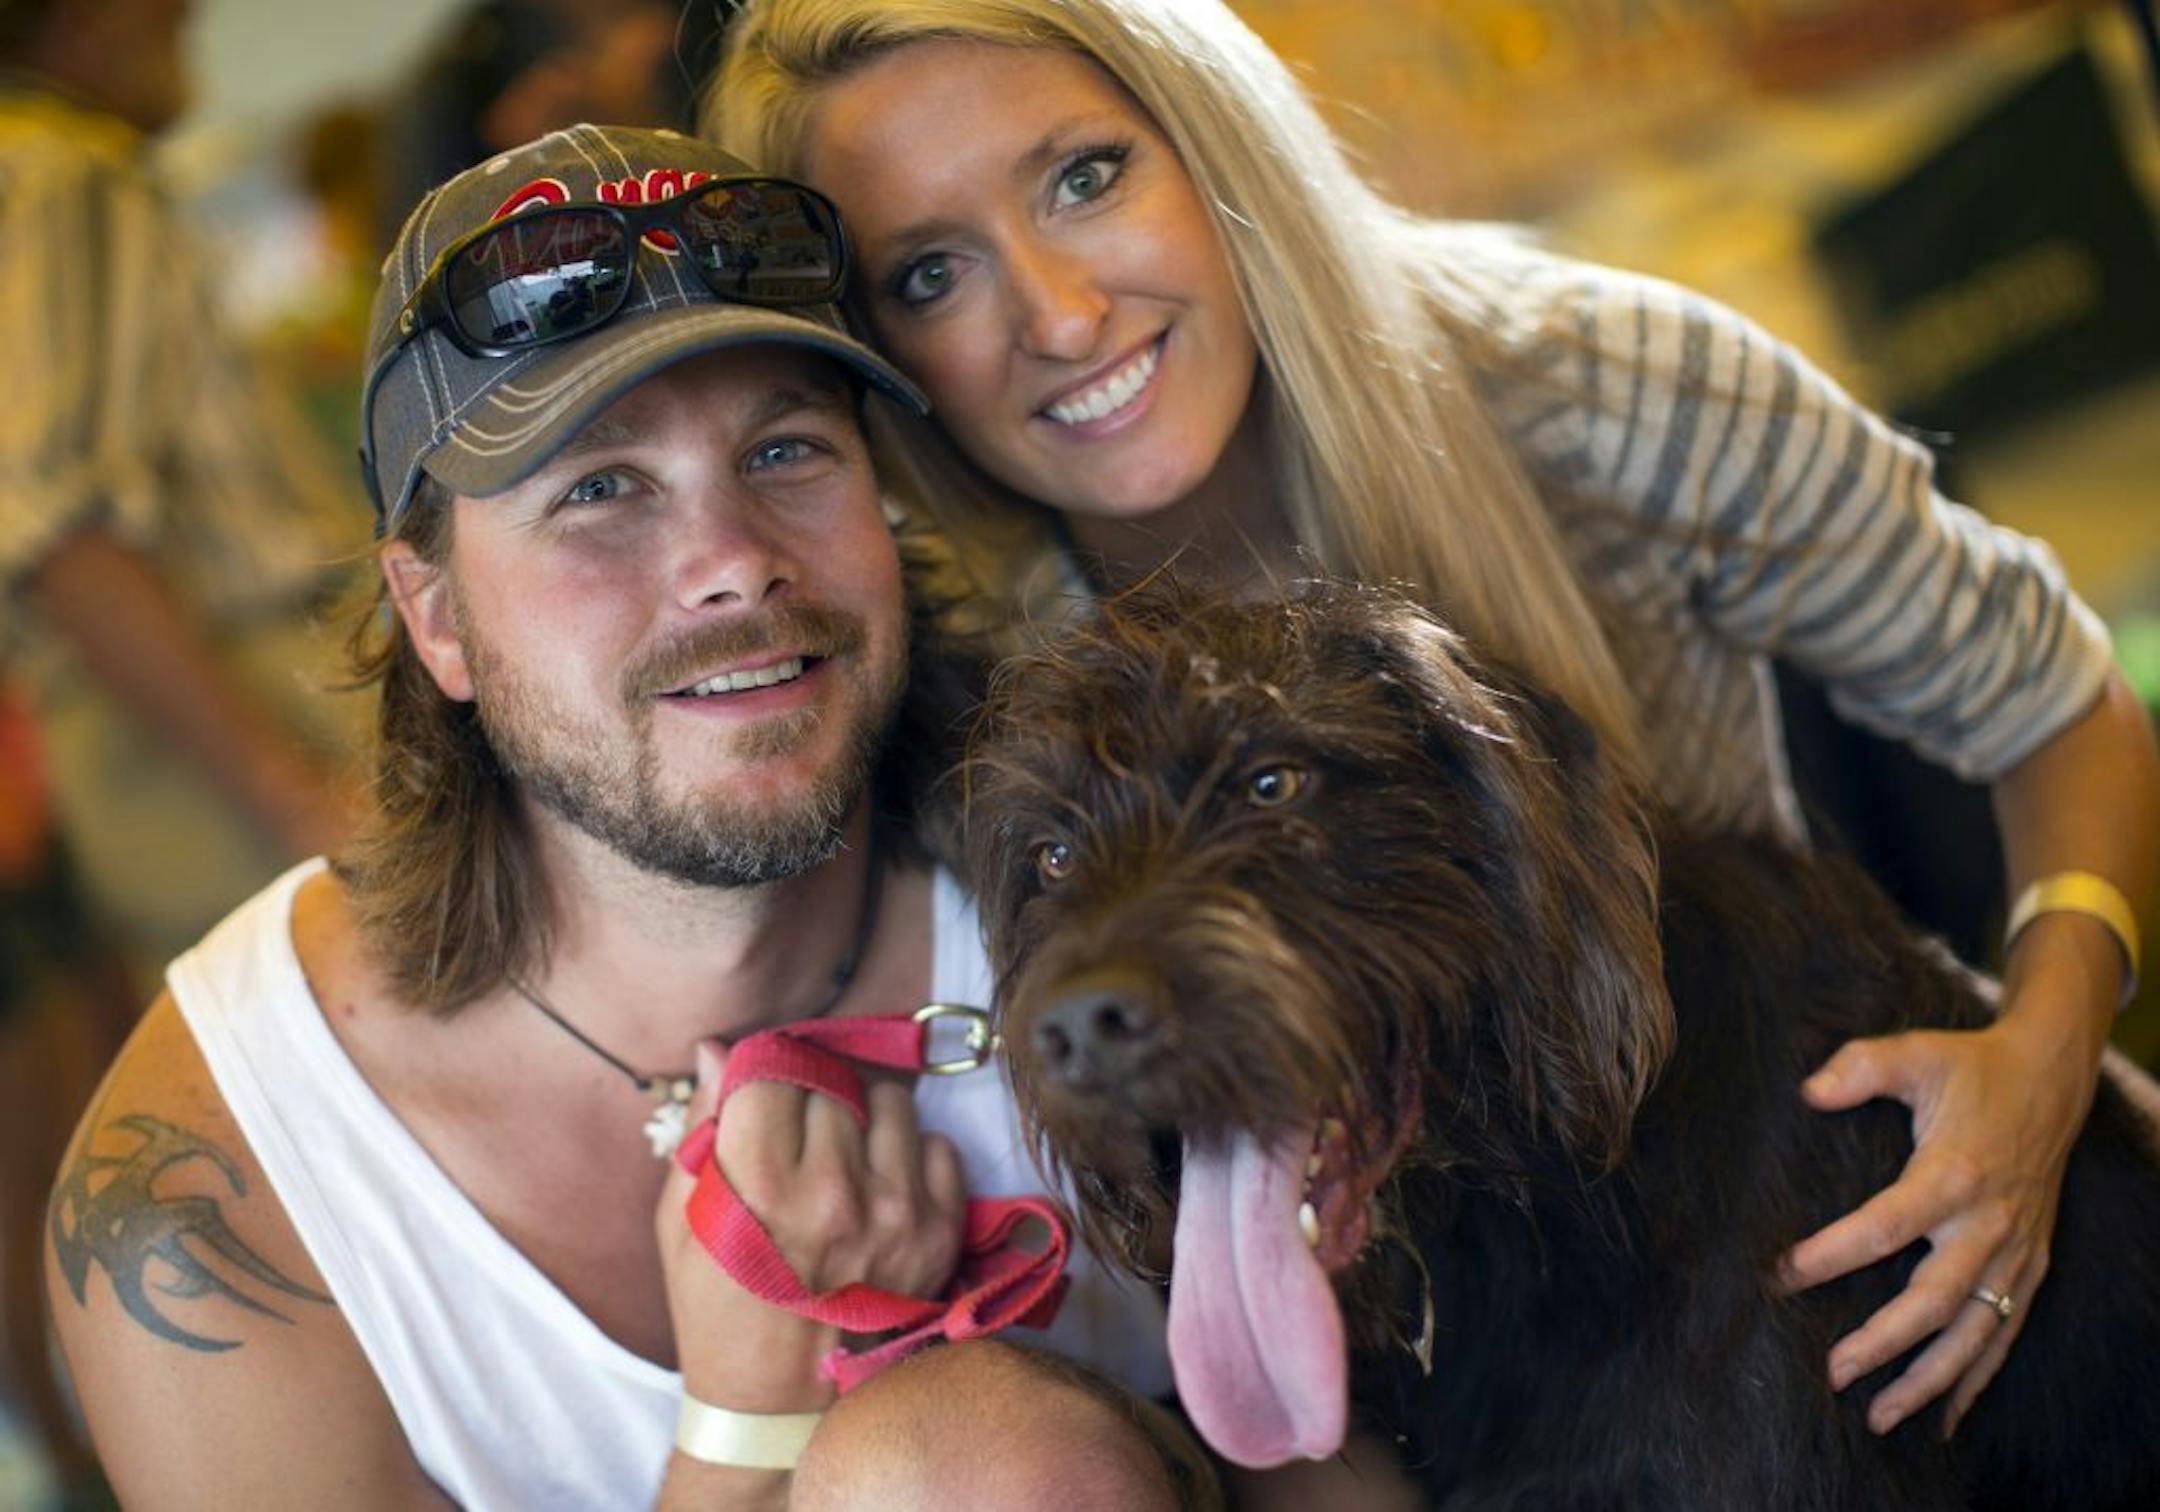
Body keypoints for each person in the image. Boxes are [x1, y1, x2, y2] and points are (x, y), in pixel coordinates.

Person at [707, 0, 2160, 1456]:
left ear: (1212, 145)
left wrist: (2037, 1067)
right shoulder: (990, 653)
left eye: (1084, 178)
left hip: (1753, 1206)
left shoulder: (1609, 392)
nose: (1060, 314)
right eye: (931, 273)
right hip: (1453, 1335)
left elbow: (2053, 702)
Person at [45, 124, 1188, 1510]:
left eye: (786, 449)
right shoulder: (230, 1185)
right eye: (599, 488)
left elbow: (1384, 1455)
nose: (732, 566)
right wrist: (744, 1433)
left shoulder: (1133, 882)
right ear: (436, 618)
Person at [0, 0, 366, 985]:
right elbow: (53, 523)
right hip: (237, 715)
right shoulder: (64, 172)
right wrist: (300, 798)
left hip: (166, 738)